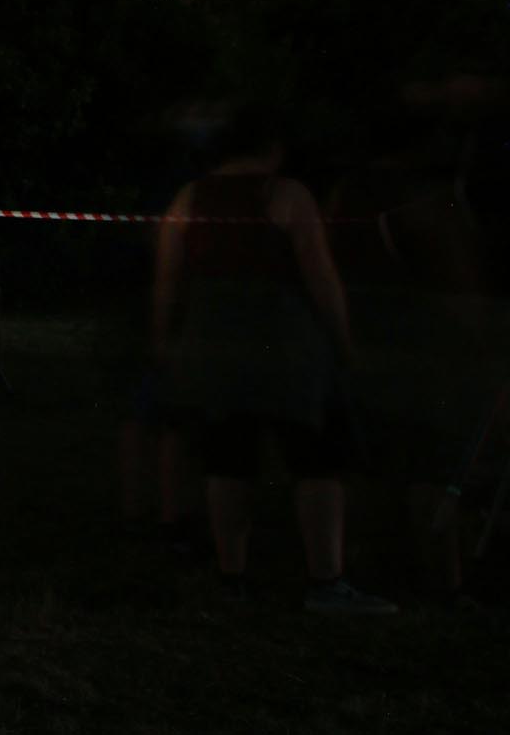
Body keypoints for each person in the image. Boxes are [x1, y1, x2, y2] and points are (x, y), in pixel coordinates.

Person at [153, 111, 395, 613]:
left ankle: (232, 577)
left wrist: (165, 341)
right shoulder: (287, 195)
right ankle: (325, 581)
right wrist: (345, 342)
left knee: (227, 460)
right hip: (286, 348)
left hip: (214, 345)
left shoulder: (188, 198)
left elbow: (168, 280)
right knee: (317, 461)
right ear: (272, 148)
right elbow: (321, 277)